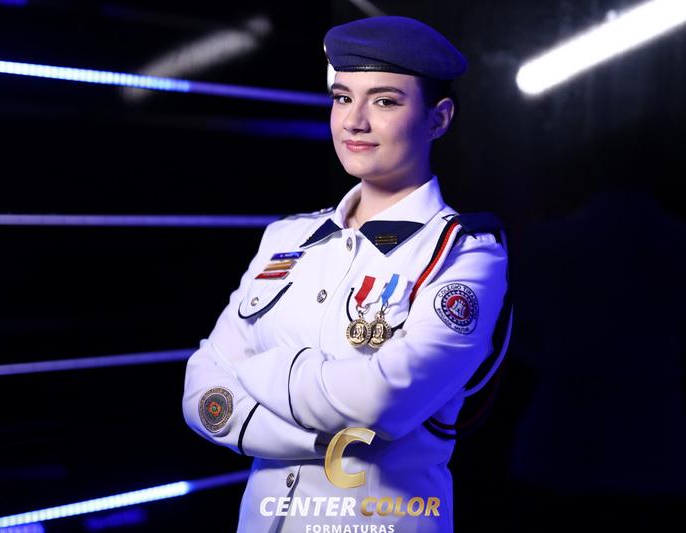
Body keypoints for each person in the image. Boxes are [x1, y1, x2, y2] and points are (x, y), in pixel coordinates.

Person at [183, 15, 509, 532]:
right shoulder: (286, 238)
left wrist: (259, 371)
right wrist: (320, 437)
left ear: (438, 119)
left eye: (385, 101)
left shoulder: (465, 254)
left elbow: (379, 403)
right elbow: (202, 392)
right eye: (342, 97)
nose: (354, 121)